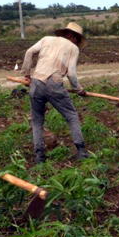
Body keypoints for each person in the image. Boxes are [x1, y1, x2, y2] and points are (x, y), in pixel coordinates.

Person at [22, 22, 89, 163]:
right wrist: (79, 89)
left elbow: (29, 52)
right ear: (73, 37)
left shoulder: (46, 39)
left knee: (37, 120)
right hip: (54, 83)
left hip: (36, 82)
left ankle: (39, 155)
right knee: (71, 116)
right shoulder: (73, 48)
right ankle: (81, 150)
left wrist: (27, 75)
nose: (76, 42)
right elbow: (71, 73)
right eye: (77, 39)